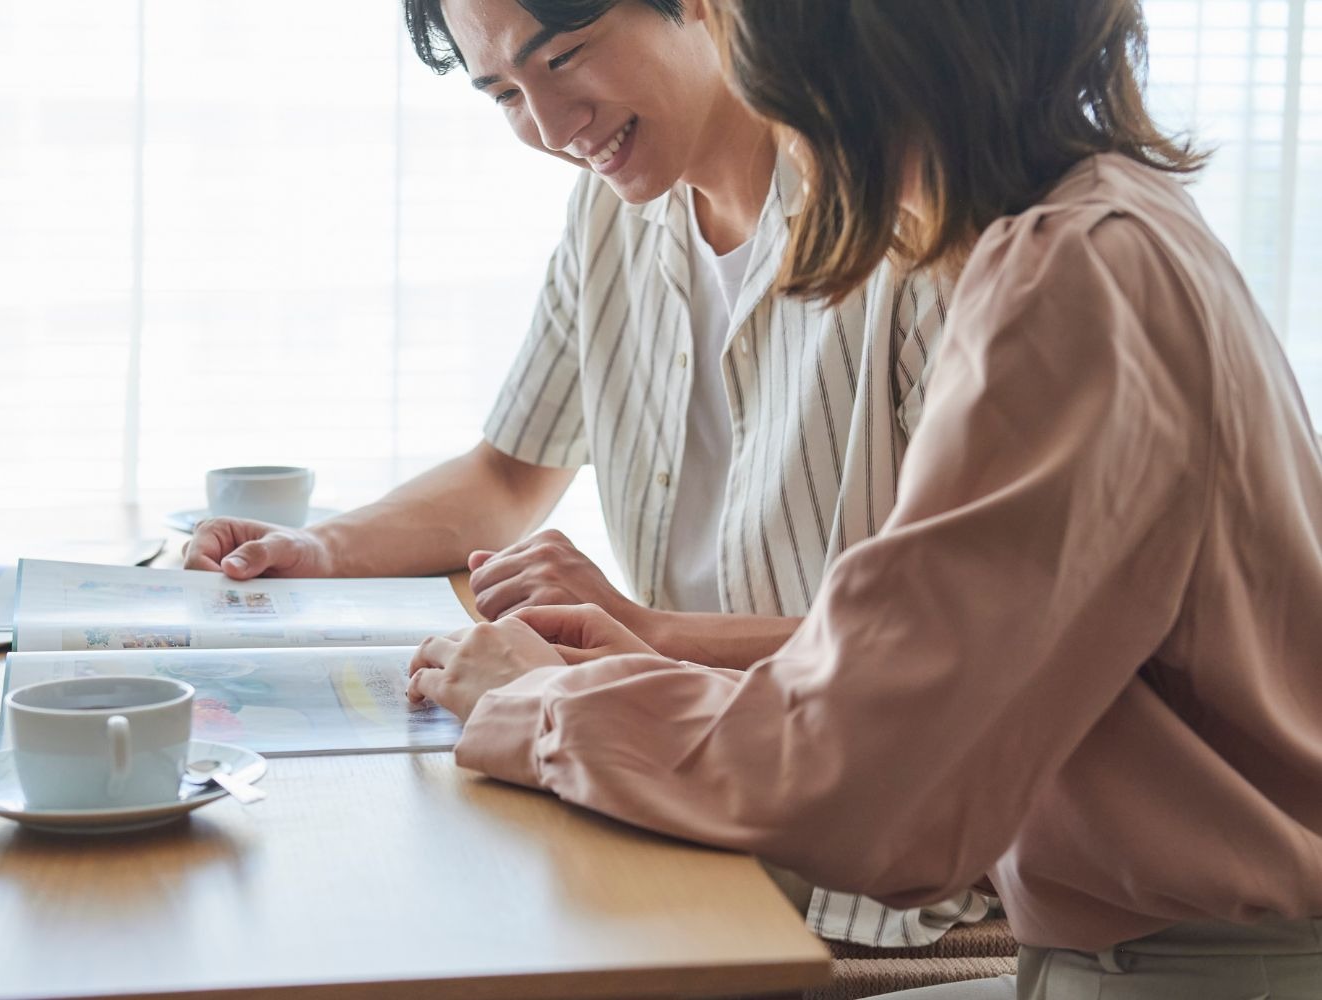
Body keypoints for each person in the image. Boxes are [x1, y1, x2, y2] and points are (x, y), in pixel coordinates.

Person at [405, 0, 1322, 997]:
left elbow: (869, 787)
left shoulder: (1071, 283)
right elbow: (896, 697)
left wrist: (535, 702)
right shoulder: (1098, 229)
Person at [187, 0, 988, 954]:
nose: (551, 128)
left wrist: (640, 638)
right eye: (504, 95)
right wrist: (320, 548)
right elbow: (508, 474)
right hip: (674, 768)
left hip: (854, 834)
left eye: (564, 57)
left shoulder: (910, 223)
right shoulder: (614, 215)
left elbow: (959, 647)